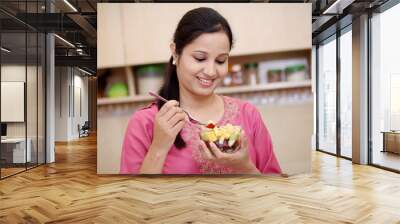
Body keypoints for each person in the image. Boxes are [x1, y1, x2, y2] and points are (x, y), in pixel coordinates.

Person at [120, 7, 281, 175]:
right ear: (175, 53)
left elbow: (277, 191)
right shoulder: (144, 122)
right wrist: (159, 147)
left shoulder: (249, 115)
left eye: (220, 61)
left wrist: (244, 167)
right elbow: (132, 198)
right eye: (200, 58)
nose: (211, 71)